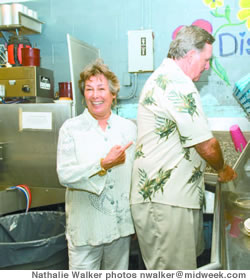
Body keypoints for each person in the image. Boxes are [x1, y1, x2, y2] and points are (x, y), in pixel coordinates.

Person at [130, 25, 237, 270]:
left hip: (173, 198)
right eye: (206, 60)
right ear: (190, 56)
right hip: (165, 201)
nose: (208, 66)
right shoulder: (176, 83)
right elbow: (206, 144)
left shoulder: (169, 79)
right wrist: (223, 170)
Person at [57, 59, 137, 270]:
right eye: (89, 89)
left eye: (101, 88)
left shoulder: (128, 129)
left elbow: (137, 176)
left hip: (120, 226)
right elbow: (65, 175)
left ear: (113, 94)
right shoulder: (71, 129)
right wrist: (102, 164)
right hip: (86, 228)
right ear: (84, 95)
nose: (95, 95)